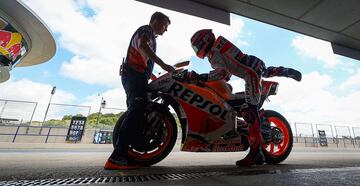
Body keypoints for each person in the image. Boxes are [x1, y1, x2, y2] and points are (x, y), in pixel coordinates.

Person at [189, 29, 301, 167]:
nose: (197, 49)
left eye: (197, 46)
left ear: (204, 41)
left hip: (251, 74)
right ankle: (287, 71)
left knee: (249, 113)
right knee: (266, 72)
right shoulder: (219, 45)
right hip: (255, 64)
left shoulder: (213, 53)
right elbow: (229, 70)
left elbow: (222, 73)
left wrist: (201, 77)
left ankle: (255, 153)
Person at [104, 12, 175, 170]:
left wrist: (153, 75)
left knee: (136, 111)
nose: (166, 30)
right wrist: (164, 65)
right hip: (133, 76)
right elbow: (142, 47)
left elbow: (142, 58)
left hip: (136, 76)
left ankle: (124, 155)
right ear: (156, 21)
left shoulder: (152, 37)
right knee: (137, 110)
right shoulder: (147, 30)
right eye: (165, 25)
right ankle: (116, 158)